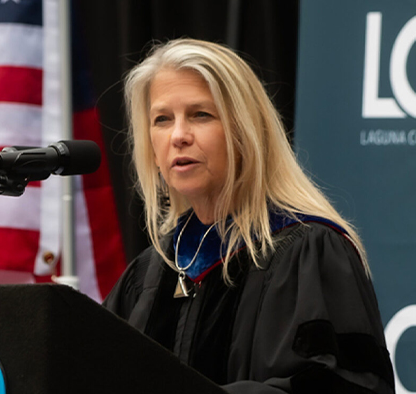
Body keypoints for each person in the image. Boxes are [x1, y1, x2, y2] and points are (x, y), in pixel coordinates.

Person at [103, 38, 395, 393]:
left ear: (245, 131)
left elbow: (340, 384)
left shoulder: (307, 252)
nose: (178, 135)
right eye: (162, 119)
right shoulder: (152, 271)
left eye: (201, 114)